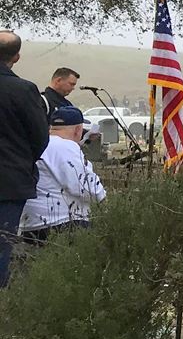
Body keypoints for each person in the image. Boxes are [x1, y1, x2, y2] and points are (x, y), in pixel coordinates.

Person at [0, 31, 49, 288]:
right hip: (10, 179)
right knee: (2, 242)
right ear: (16, 57)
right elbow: (40, 137)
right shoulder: (24, 90)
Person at [19, 105, 107, 240]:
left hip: (29, 223)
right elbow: (85, 187)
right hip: (61, 222)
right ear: (78, 130)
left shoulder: (38, 143)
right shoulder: (66, 146)